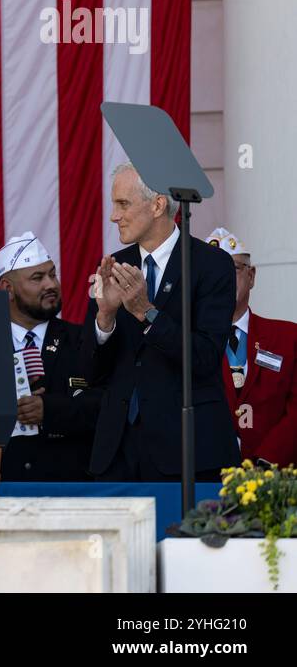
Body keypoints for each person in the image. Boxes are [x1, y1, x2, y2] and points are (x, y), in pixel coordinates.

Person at [80, 162, 239, 481]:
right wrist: (105, 317)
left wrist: (147, 312)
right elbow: (89, 373)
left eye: (123, 204)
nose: (114, 216)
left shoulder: (210, 265)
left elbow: (205, 358)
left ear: (157, 205)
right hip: (118, 453)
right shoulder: (116, 265)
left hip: (187, 451)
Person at [0, 233, 100, 481]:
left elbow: (106, 404)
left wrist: (50, 410)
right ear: (8, 289)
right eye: (37, 278)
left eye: (53, 274)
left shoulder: (84, 339)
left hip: (70, 490)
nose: (51, 284)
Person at [206, 227, 297, 466]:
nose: (222, 278)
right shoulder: (183, 341)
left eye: (233, 269)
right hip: (205, 476)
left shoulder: (289, 337)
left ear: (252, 276)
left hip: (275, 479)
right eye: (212, 272)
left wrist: (267, 461)